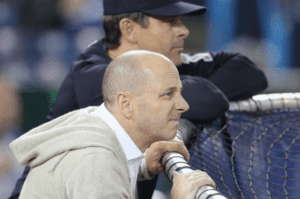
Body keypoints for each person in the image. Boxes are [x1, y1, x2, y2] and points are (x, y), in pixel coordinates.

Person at [9, 0, 268, 198]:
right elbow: (207, 98)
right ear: (129, 29)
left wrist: (139, 166)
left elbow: (249, 73)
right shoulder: (98, 77)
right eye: (169, 21)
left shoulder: (153, 66)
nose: (183, 31)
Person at [10, 50, 216, 199]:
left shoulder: (92, 123)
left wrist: (138, 166)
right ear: (126, 104)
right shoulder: (96, 164)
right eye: (168, 94)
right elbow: (97, 173)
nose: (183, 105)